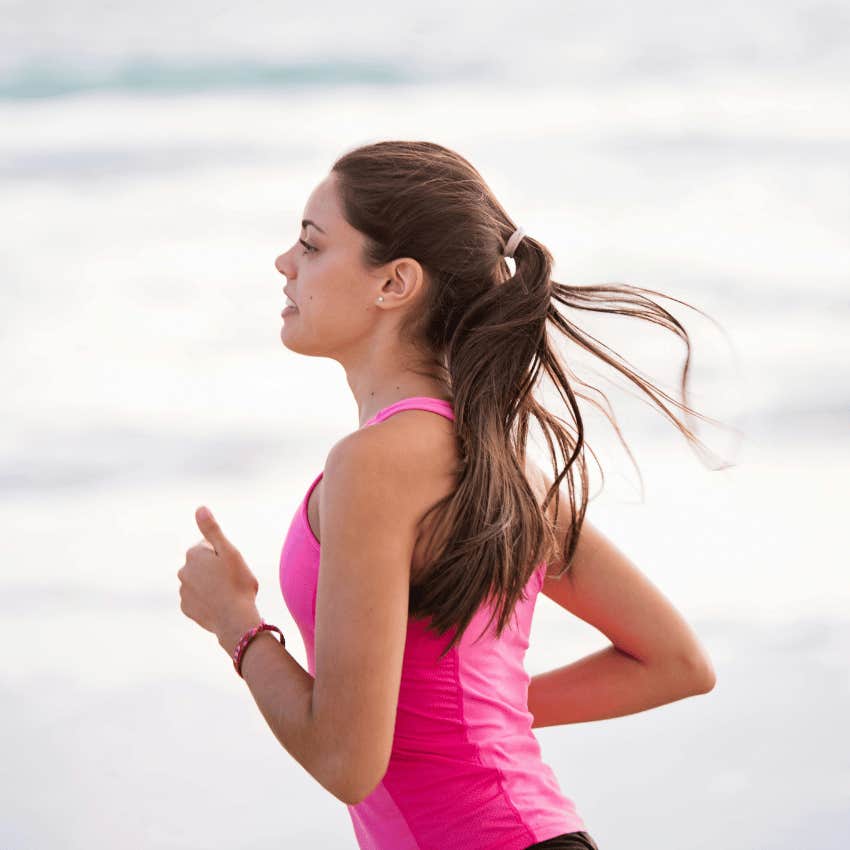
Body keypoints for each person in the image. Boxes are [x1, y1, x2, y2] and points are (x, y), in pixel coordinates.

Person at [199, 140, 724, 850]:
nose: (284, 263)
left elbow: (346, 763)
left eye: (312, 245)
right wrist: (475, 720)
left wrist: (238, 625)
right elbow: (674, 663)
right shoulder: (495, 463)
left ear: (395, 284)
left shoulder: (375, 464)